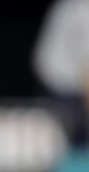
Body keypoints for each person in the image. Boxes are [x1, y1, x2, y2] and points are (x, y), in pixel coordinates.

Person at [33, 0, 89, 147]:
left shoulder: (67, 5)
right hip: (63, 90)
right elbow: (86, 73)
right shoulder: (82, 12)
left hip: (58, 84)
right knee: (69, 144)